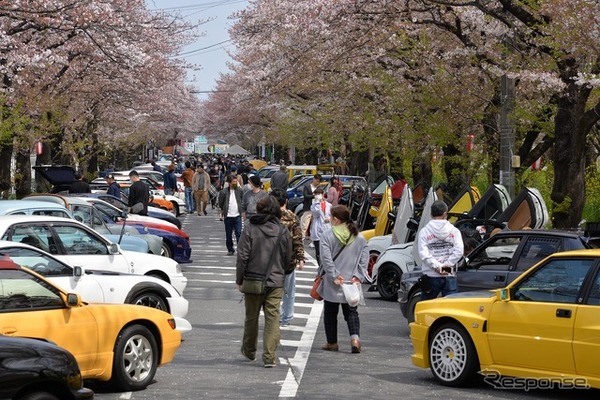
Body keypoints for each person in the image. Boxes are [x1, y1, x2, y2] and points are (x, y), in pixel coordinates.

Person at [236, 196, 293, 368]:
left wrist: (239, 279)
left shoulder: (250, 228)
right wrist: (283, 273)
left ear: (259, 210)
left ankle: (249, 350)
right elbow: (288, 257)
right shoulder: (283, 231)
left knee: (251, 317)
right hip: (275, 280)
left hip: (252, 279)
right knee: (273, 318)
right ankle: (269, 357)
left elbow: (242, 256)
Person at [317, 205, 368, 353]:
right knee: (351, 312)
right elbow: (364, 258)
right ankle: (355, 339)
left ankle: (332, 343)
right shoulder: (359, 237)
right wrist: (358, 275)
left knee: (330, 313)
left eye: (332, 217)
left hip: (334, 283)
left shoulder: (327, 235)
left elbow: (326, 260)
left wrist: (333, 275)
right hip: (351, 283)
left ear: (336, 219)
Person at [270, 188, 305, 326]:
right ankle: (287, 316)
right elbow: (297, 239)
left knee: (273, 289)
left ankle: (274, 314)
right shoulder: (292, 217)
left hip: (271, 259)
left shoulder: (268, 218)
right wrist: (300, 258)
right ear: (286, 201)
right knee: (289, 290)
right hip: (288, 260)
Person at [417, 200, 464, 301]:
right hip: (449, 272)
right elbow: (459, 251)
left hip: (430, 273)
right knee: (450, 308)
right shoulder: (454, 231)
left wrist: (437, 267)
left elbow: (423, 253)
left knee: (426, 306)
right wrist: (446, 265)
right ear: (445, 214)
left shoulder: (424, 232)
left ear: (431, 214)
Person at [218, 174, 244, 255]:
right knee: (228, 234)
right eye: (233, 182)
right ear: (229, 183)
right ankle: (230, 249)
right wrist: (221, 212)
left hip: (237, 216)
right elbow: (220, 203)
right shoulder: (224, 192)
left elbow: (242, 200)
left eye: (236, 182)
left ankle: (240, 249)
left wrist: (242, 212)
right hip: (228, 216)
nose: (235, 183)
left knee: (238, 233)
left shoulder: (240, 191)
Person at [309, 187, 332, 266]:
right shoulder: (313, 205)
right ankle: (320, 267)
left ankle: (326, 266)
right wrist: (317, 203)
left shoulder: (329, 205)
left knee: (326, 250)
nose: (317, 196)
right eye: (316, 194)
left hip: (327, 229)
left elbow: (332, 216)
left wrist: (329, 219)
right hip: (317, 229)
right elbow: (316, 213)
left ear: (322, 194)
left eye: (319, 194)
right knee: (318, 251)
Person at [301, 174, 321, 241]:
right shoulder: (307, 186)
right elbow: (305, 196)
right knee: (304, 224)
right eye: (316, 180)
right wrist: (314, 196)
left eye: (318, 181)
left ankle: (312, 241)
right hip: (308, 207)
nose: (317, 182)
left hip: (316, 209)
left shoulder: (319, 188)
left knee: (314, 225)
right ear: (313, 179)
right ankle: (302, 238)